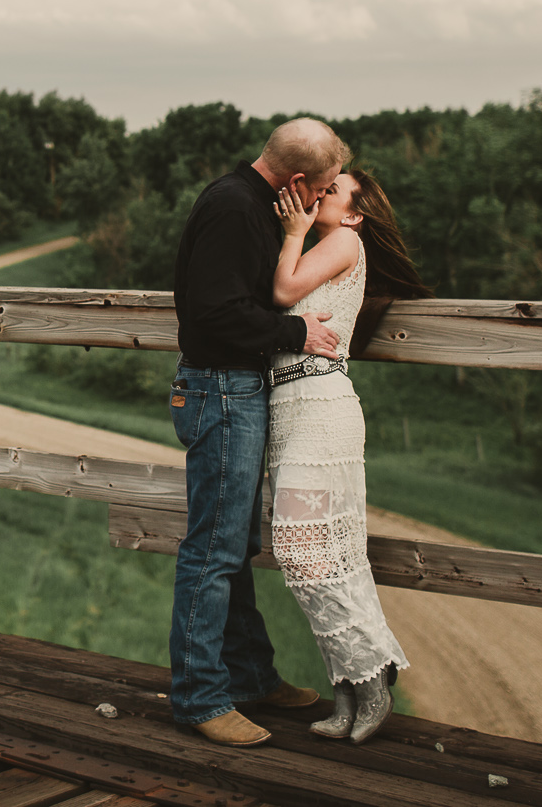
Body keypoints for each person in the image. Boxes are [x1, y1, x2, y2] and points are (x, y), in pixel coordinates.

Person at [168, 117, 349, 748]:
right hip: (219, 389)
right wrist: (297, 334)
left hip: (234, 389)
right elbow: (214, 311)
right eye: (322, 190)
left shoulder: (247, 203)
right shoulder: (233, 208)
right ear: (298, 181)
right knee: (212, 550)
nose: (323, 200)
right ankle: (199, 696)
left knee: (235, 544)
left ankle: (249, 675)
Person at [268, 168, 431, 743]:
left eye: (330, 191)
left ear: (356, 214)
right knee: (332, 554)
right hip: (290, 411)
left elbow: (282, 295)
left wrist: (292, 231)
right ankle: (348, 684)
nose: (317, 194)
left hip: (320, 409)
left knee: (299, 548)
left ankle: (371, 679)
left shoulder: (343, 240)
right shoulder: (321, 246)